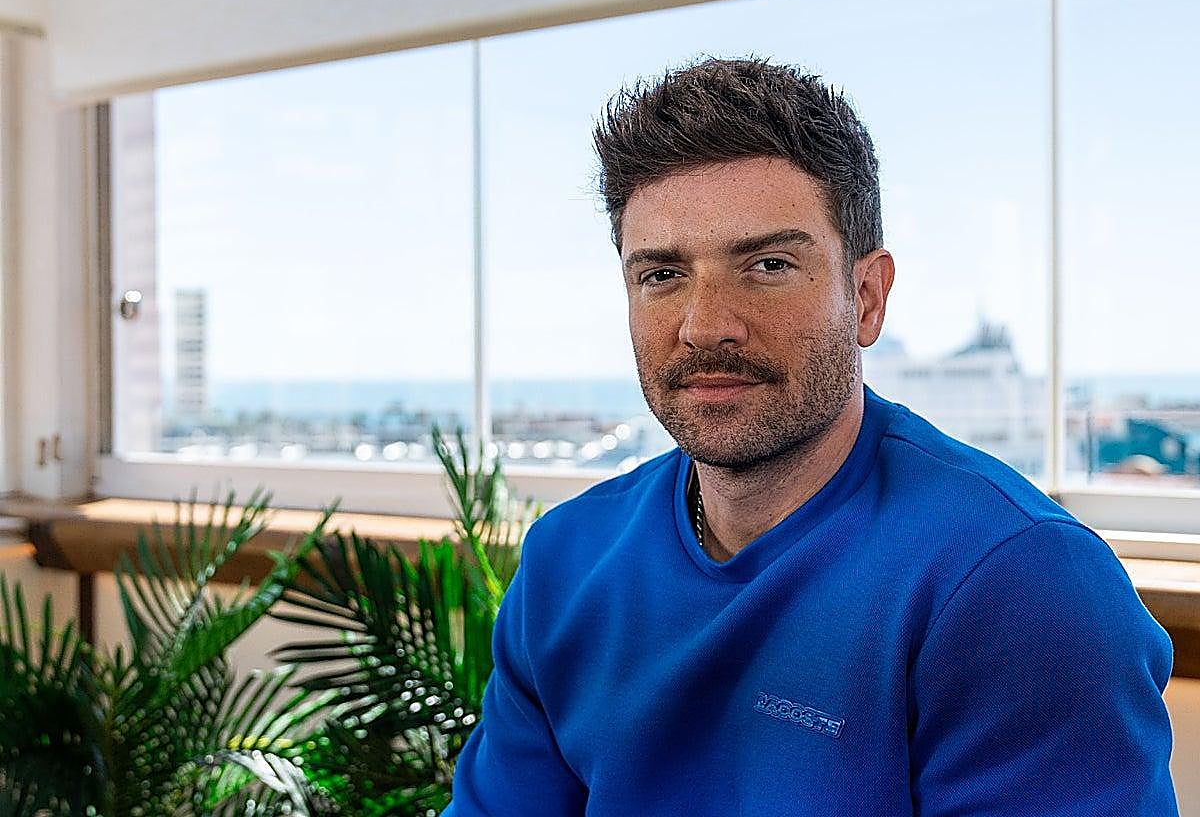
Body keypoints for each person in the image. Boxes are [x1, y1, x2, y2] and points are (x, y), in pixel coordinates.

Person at [443, 58, 1176, 815]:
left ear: (867, 297)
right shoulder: (567, 561)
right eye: (662, 275)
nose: (705, 326)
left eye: (768, 265)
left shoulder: (1020, 584)